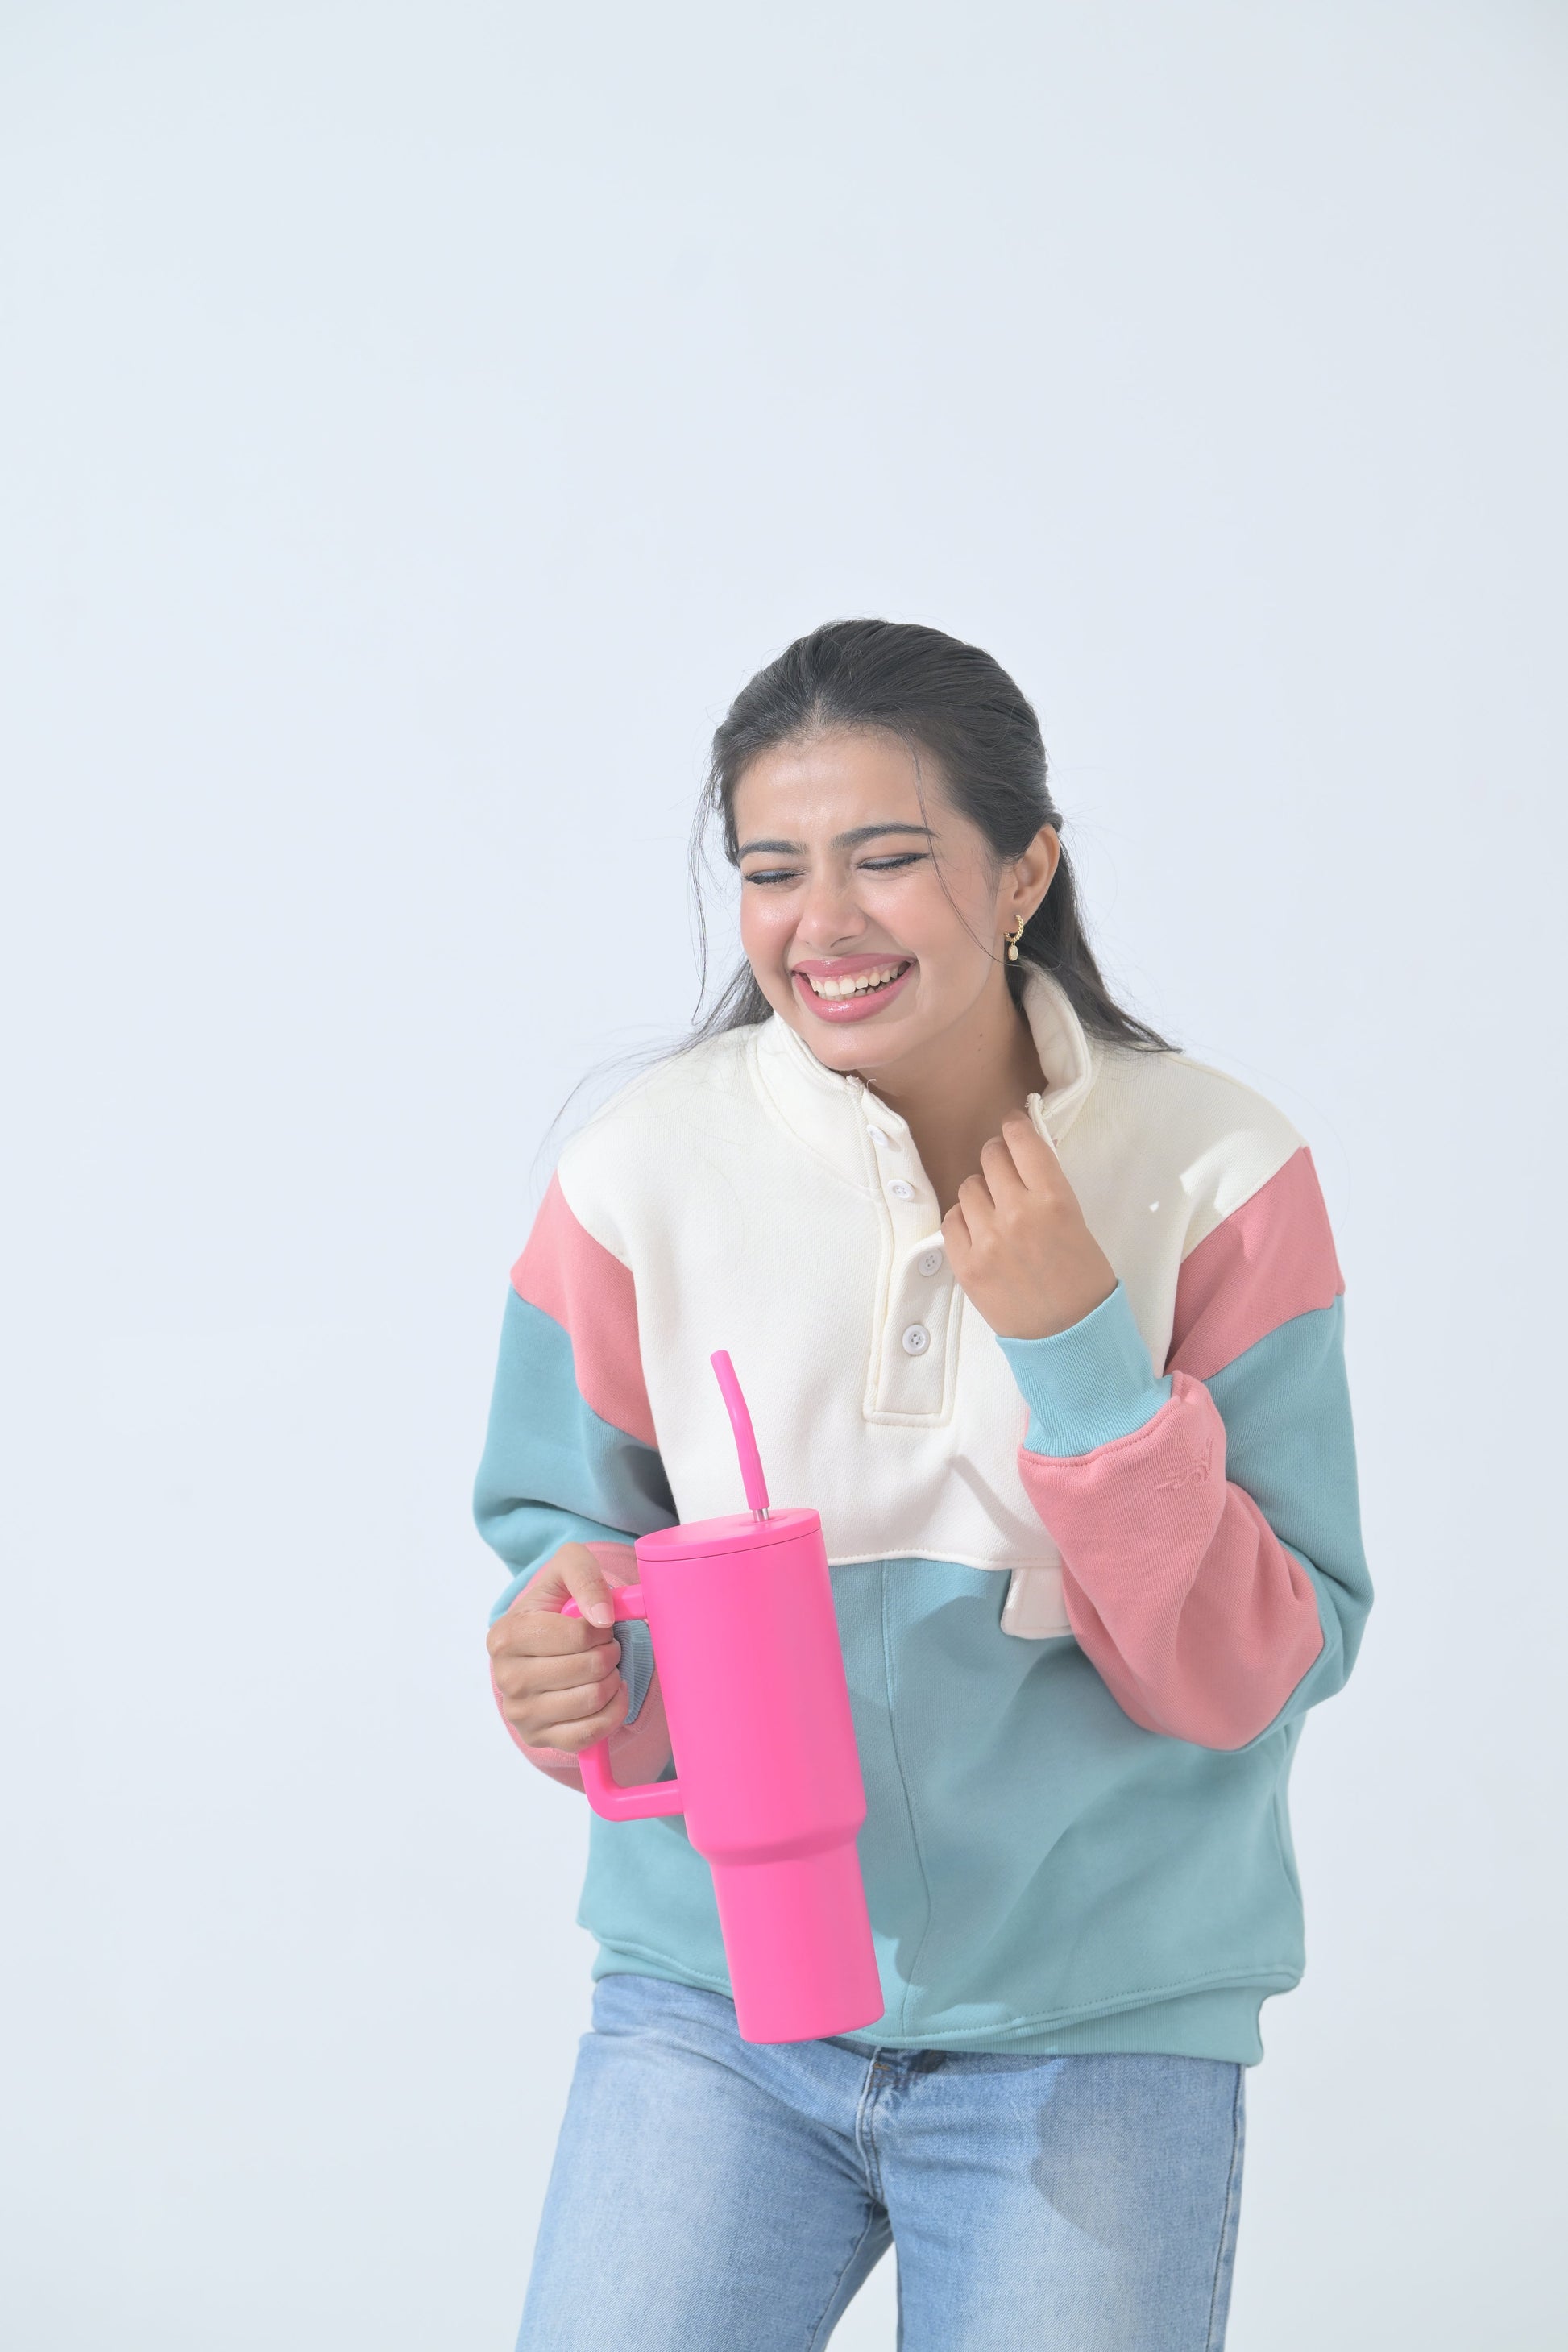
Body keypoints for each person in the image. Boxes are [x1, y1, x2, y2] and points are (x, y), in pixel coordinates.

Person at [475, 618, 1371, 2352]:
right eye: (772, 869)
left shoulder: (1217, 1168)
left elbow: (1264, 1666)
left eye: (887, 857)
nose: (823, 921)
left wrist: (1086, 1362)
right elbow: (569, 1538)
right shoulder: (640, 1171)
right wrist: (564, 1651)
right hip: (714, 2010)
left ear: (1024, 868)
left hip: (1098, 2024)